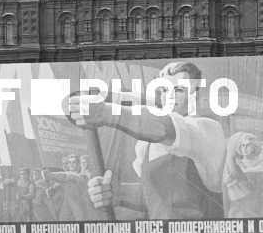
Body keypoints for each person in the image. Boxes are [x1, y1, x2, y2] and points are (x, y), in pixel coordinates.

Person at [81, 62, 226, 222]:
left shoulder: (208, 130)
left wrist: (108, 113)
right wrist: (119, 193)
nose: (169, 96)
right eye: (164, 90)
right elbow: (152, 196)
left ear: (195, 97)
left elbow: (166, 127)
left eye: (178, 90)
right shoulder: (145, 145)